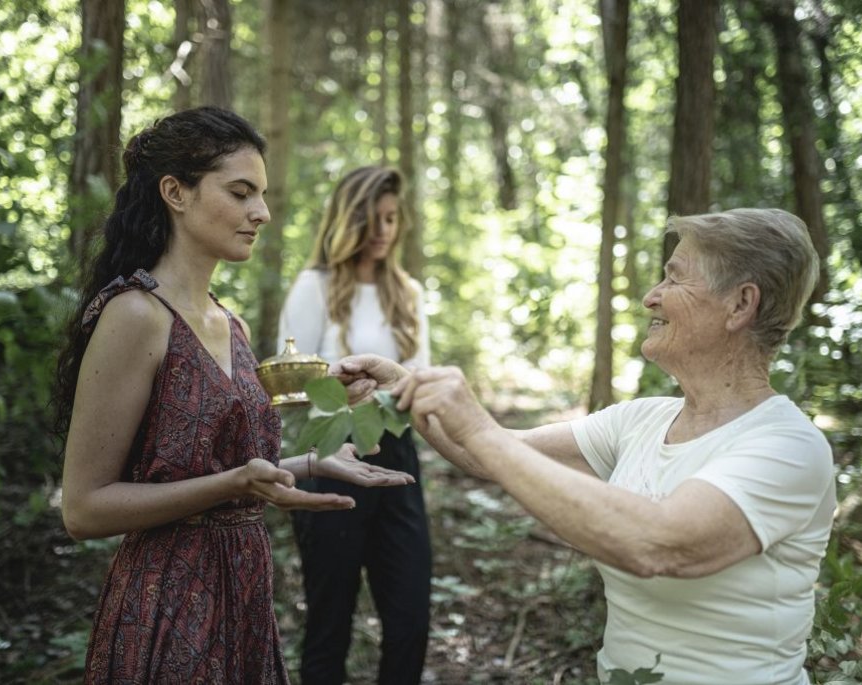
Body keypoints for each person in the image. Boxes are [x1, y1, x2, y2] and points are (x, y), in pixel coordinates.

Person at [331, 208, 836, 685]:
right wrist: (405, 387)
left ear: (741, 305)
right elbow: (488, 453)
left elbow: (661, 544)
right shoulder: (643, 419)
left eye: (675, 277)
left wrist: (479, 428)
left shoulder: (787, 446)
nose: (651, 297)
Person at [53, 108, 415, 684]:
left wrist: (313, 463)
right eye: (241, 192)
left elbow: (232, 470)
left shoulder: (232, 324)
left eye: (262, 195)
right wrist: (236, 483)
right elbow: (84, 509)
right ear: (176, 192)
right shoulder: (134, 315)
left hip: (245, 593)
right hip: (168, 604)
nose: (262, 213)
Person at [277, 166, 432, 684]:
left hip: (397, 455)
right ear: (350, 218)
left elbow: (420, 379)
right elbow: (286, 385)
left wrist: (394, 388)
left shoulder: (407, 291)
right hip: (329, 458)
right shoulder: (313, 287)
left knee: (409, 615)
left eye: (393, 218)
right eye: (374, 217)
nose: (385, 229)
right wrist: (335, 385)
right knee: (330, 617)